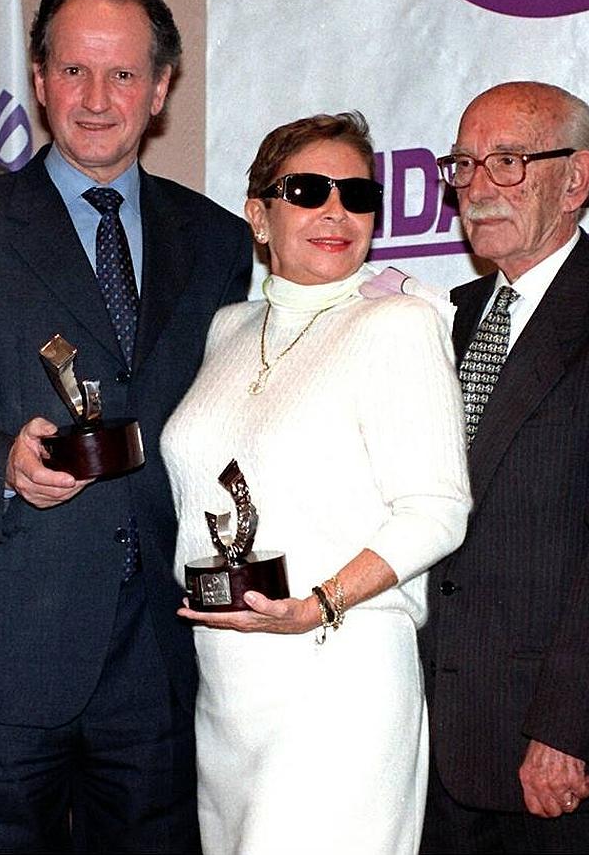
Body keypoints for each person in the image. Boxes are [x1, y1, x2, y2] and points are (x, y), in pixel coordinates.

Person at [0, 0, 251, 852]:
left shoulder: (218, 241)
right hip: (0, 650)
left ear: (160, 89)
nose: (95, 99)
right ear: (38, 80)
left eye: (120, 76)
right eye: (73, 71)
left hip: (160, 654)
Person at [161, 112, 470, 853]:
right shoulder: (227, 328)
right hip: (229, 680)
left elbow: (436, 511)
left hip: (340, 673)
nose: (336, 211)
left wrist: (316, 606)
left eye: (358, 195)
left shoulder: (397, 322)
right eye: (307, 190)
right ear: (259, 216)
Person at [417, 81, 589, 853]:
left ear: (576, 179)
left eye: (507, 162)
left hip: (557, 757)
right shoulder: (446, 316)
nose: (476, 188)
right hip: (432, 745)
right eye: (463, 165)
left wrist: (565, 730)